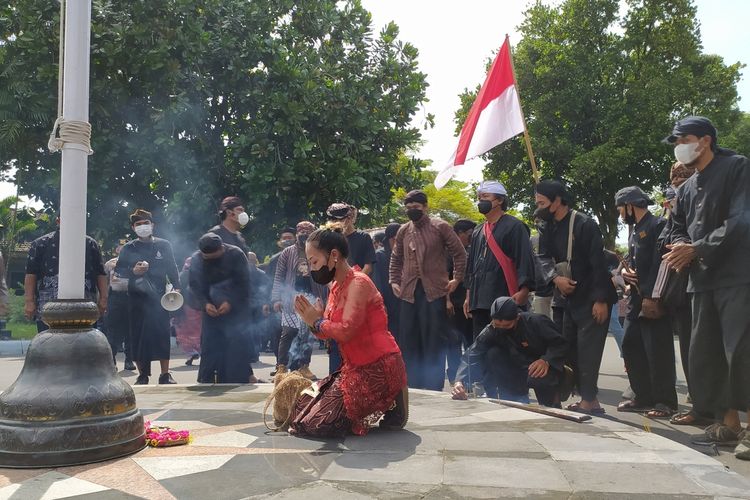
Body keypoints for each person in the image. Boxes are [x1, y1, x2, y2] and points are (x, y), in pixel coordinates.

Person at [661, 116, 750, 458]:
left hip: (737, 276)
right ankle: (729, 425)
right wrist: (683, 246)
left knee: (740, 352)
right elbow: (676, 230)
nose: (679, 146)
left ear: (705, 140)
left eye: (683, 139)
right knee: (708, 355)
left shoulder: (737, 167)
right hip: (700, 280)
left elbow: (742, 220)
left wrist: (698, 247)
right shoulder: (684, 189)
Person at [292, 224, 407, 437]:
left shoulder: (359, 283)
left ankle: (393, 394)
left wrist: (316, 321)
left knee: (317, 424)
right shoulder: (335, 286)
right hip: (353, 368)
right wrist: (312, 322)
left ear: (333, 255)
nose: (312, 269)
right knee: (299, 408)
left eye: (314, 261)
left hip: (377, 366)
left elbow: (345, 331)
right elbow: (328, 332)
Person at [535, 180, 617, 415]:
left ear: (558, 200)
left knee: (589, 351)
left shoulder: (585, 224)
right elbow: (542, 258)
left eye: (542, 202)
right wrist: (555, 278)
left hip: (591, 297)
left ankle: (590, 401)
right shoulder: (546, 226)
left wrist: (600, 300)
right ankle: (583, 398)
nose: (539, 207)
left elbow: (598, 264)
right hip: (564, 298)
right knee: (568, 349)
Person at [389, 189, 467, 390]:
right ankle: (412, 387)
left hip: (434, 293)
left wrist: (456, 279)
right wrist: (393, 281)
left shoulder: (440, 227)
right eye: (408, 208)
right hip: (408, 293)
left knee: (433, 341)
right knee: (409, 341)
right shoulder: (403, 230)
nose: (412, 211)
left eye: (416, 207)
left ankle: (433, 387)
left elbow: (460, 254)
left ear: (425, 207)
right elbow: (395, 259)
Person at [614, 186, 677, 418]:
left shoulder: (657, 224)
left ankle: (665, 402)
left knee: (657, 349)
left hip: (653, 298)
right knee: (631, 345)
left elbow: (662, 264)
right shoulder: (635, 229)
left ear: (630, 205)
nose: (621, 214)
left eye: (621, 208)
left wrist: (653, 295)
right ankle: (642, 396)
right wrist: (628, 278)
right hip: (636, 298)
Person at [451, 297, 570, 407]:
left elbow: (561, 343)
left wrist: (546, 360)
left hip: (541, 368)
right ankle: (514, 398)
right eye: (497, 324)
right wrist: (459, 381)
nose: (501, 328)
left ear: (517, 318)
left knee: (539, 377)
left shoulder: (536, 321)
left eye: (507, 325)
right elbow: (472, 354)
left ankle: (552, 405)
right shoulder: (491, 330)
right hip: (517, 368)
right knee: (493, 354)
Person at [115, 209, 180, 385]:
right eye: (138, 224)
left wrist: (178, 287)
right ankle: (142, 374)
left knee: (161, 334)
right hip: (137, 298)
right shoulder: (129, 247)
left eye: (146, 223)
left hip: (159, 298)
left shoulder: (163, 245)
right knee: (138, 335)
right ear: (133, 227)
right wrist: (133, 271)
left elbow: (172, 268)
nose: (143, 227)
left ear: (153, 225)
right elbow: (119, 270)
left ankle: (165, 374)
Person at [464, 180, 536, 339]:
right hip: (479, 301)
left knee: (506, 347)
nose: (481, 201)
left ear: (500, 200)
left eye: (485, 196)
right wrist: (469, 295)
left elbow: (524, 260)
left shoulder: (515, 226)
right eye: (479, 197)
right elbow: (471, 267)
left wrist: (524, 289)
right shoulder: (477, 231)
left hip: (504, 298)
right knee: (481, 346)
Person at [189, 233, 253, 383]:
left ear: (222, 248)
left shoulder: (236, 254)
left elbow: (244, 282)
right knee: (210, 345)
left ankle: (237, 378)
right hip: (211, 310)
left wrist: (230, 301)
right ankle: (208, 379)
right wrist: (205, 304)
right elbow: (195, 286)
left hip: (235, 310)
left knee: (235, 344)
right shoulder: (196, 259)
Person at [24, 217, 107, 333]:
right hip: (48, 304)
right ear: (58, 221)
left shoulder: (90, 244)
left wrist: (103, 299)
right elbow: (31, 274)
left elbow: (100, 273)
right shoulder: (40, 244)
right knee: (48, 343)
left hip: (84, 304)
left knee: (84, 344)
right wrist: (29, 301)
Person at [271, 221, 328, 380]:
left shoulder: (318, 252)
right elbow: (279, 276)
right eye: (301, 233)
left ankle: (303, 367)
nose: (303, 236)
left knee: (308, 335)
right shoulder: (288, 252)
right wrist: (276, 298)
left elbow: (324, 276)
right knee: (288, 332)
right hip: (291, 297)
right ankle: (281, 367)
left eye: (307, 233)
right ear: (297, 234)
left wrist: (323, 299)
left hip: (311, 297)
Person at [326, 203, 377, 374]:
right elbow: (325, 269)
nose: (335, 222)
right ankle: (334, 387)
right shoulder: (329, 239)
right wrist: (334, 286)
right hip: (335, 295)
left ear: (348, 218)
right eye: (332, 219)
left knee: (357, 339)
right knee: (335, 342)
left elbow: (368, 265)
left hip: (357, 296)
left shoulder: (363, 238)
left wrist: (353, 286)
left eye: (338, 219)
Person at [446, 219, 476, 384]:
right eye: (469, 234)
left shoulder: (472, 251)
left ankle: (470, 378)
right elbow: (444, 275)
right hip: (454, 304)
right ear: (459, 233)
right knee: (454, 343)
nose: (471, 238)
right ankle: (454, 378)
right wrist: (447, 300)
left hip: (470, 304)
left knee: (471, 342)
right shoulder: (449, 252)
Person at [260, 227, 297, 355]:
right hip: (278, 302)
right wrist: (266, 302)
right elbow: (268, 282)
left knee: (296, 333)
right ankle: (279, 365)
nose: (287, 240)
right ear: (280, 241)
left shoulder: (303, 256)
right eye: (284, 238)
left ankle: (296, 365)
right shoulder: (274, 259)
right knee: (277, 333)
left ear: (295, 239)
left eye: (289, 238)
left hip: (296, 301)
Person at [104, 242, 135, 370]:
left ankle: (129, 360)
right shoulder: (110, 264)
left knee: (130, 331)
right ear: (117, 249)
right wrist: (103, 300)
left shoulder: (135, 263)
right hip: (114, 298)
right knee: (112, 331)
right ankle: (112, 361)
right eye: (120, 246)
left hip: (130, 297)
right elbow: (104, 282)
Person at [373, 222, 401, 342]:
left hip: (402, 300)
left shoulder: (404, 254)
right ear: (392, 238)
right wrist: (381, 302)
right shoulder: (379, 255)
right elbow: (376, 280)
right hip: (387, 300)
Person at [174, 256, 202, 366]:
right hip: (200, 308)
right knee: (200, 331)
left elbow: (177, 290)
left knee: (184, 332)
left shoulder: (181, 275)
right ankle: (199, 352)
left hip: (184, 307)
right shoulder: (202, 275)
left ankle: (191, 353)